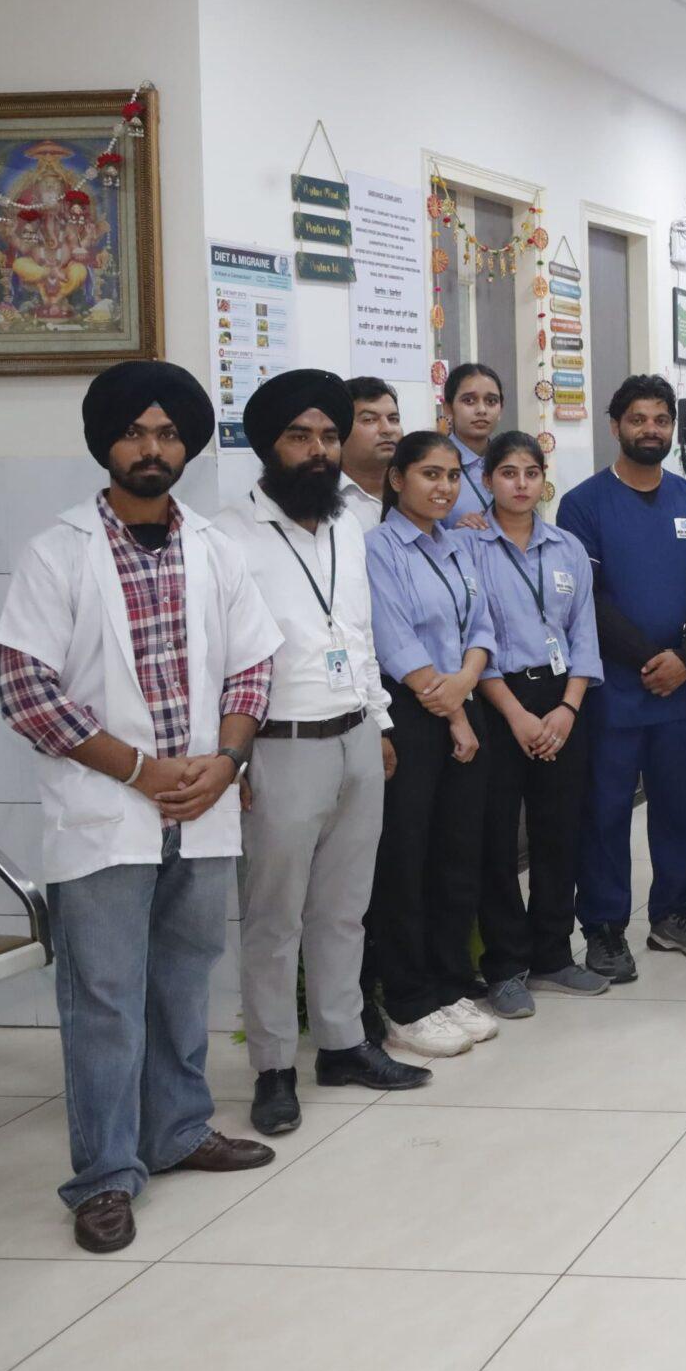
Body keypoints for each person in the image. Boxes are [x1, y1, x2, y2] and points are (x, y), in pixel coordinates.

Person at [0, 361, 283, 1252]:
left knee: (183, 983)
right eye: (134, 433)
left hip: (203, 801)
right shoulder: (58, 551)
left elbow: (253, 666)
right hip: (106, 810)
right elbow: (27, 690)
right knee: (104, 999)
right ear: (106, 444)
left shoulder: (217, 548)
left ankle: (178, 1131)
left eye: (167, 434)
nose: (151, 448)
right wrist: (141, 771)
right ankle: (104, 1176)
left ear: (186, 446)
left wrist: (225, 761)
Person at [226, 370, 430, 1138]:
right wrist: (231, 759)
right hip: (277, 746)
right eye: (299, 436)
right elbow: (217, 659)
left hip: (355, 736)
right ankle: (274, 1066)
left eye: (328, 436)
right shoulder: (227, 537)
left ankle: (342, 1044)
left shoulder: (350, 522)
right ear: (268, 444)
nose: (318, 450)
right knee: (274, 918)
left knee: (344, 908)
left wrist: (379, 722)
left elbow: (360, 632)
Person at [556, 375, 686, 982]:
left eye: (661, 419)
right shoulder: (583, 503)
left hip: (684, 687)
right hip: (615, 688)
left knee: (681, 807)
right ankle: (604, 926)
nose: (651, 429)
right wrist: (651, 658)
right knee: (605, 810)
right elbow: (588, 598)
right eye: (638, 419)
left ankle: (673, 913)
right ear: (615, 426)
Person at [365, 431, 499, 1058]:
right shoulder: (378, 549)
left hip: (460, 701)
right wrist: (453, 713)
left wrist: (467, 685)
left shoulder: (456, 546)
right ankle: (407, 998)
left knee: (457, 852)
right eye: (429, 475)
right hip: (411, 714)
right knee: (407, 858)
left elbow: (482, 626)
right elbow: (394, 638)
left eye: (451, 476)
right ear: (398, 480)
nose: (444, 487)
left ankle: (449, 983)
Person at [470, 431, 611, 1013]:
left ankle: (553, 954)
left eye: (531, 473)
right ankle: (506, 965)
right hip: (497, 700)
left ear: (543, 481)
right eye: (508, 473)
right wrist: (516, 715)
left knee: (559, 831)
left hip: (562, 701)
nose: (521, 484)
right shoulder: (468, 547)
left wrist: (569, 707)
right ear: (488, 481)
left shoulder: (566, 547)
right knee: (497, 838)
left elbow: (584, 633)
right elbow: (471, 638)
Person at [439, 362, 503, 528]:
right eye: (469, 400)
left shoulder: (509, 461)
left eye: (491, 401)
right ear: (448, 409)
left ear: (501, 410)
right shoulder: (432, 463)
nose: (482, 410)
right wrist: (454, 535)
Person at [338, 374, 399, 529]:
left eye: (393, 419)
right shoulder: (322, 497)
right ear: (339, 430)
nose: (387, 429)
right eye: (369, 419)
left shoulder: (414, 490)